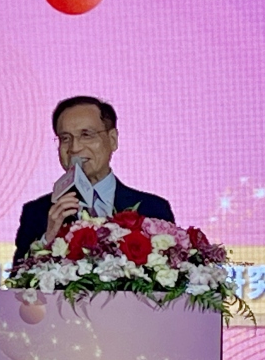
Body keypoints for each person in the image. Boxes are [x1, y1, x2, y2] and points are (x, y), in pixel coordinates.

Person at [12, 96, 175, 263]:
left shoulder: (153, 210)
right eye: (65, 138)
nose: (75, 148)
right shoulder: (37, 213)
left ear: (112, 140)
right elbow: (16, 278)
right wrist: (47, 241)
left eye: (86, 135)